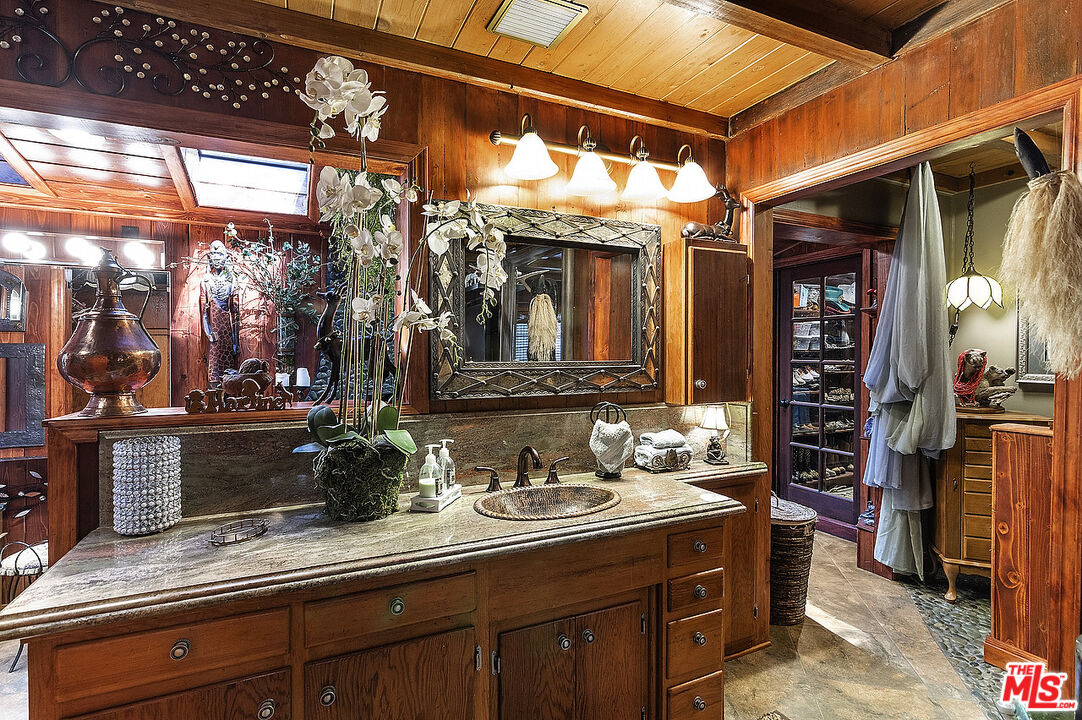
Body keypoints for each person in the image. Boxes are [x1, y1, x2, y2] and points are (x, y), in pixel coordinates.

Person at [199, 239, 240, 387]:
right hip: (214, 332)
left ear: (226, 257)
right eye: (214, 254)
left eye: (220, 254)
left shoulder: (232, 281)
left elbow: (235, 313)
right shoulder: (206, 281)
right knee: (214, 367)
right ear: (210, 258)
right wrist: (209, 332)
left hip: (227, 332)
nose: (217, 258)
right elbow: (204, 312)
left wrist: (236, 341)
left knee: (230, 372)